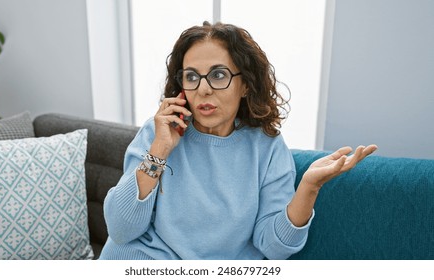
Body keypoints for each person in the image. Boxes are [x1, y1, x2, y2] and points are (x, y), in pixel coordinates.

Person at [98, 21, 377, 260]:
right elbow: (121, 230)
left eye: (218, 75)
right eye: (192, 76)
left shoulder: (266, 147)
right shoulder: (156, 132)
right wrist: (159, 151)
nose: (203, 89)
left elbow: (274, 247)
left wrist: (309, 187)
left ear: (245, 85)